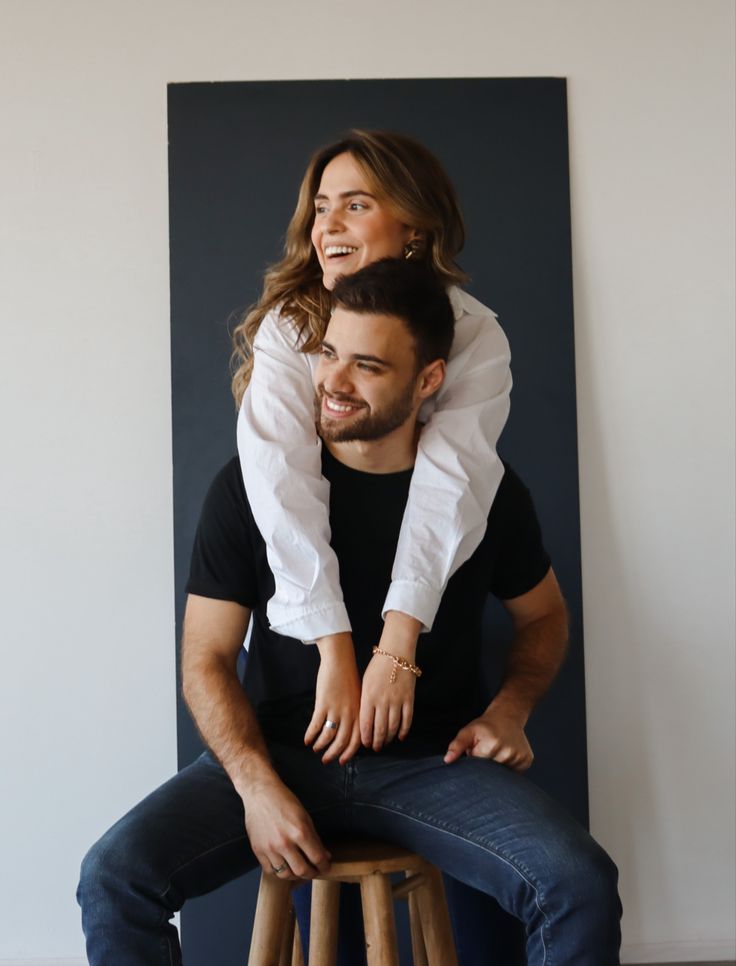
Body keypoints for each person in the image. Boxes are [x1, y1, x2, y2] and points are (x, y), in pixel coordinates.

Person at [77, 260, 622, 964]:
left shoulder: (484, 490)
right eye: (328, 354)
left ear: (429, 380)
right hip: (278, 757)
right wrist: (254, 787)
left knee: (577, 881)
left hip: (434, 764)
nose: (333, 382)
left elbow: (544, 615)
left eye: (367, 366)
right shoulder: (252, 488)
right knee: (113, 877)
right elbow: (205, 658)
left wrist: (511, 708)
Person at [232, 130, 512, 754]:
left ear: (413, 228)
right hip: (294, 670)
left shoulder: (473, 336)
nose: (327, 223)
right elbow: (282, 482)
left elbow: (451, 482)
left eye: (355, 204)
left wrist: (396, 648)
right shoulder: (288, 327)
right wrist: (333, 648)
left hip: (429, 696)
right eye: (321, 206)